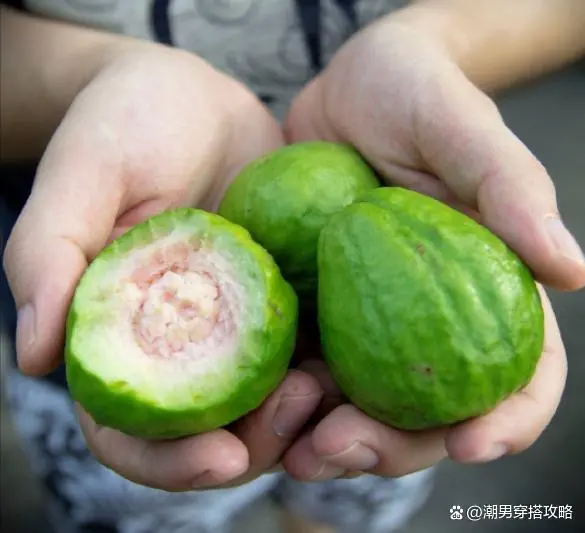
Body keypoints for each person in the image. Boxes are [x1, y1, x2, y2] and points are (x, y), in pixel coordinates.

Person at [1, 1, 584, 532]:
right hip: (109, 215)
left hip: (383, 220)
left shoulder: (364, 228)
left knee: (348, 489)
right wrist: (97, 73)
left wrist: (433, 42)